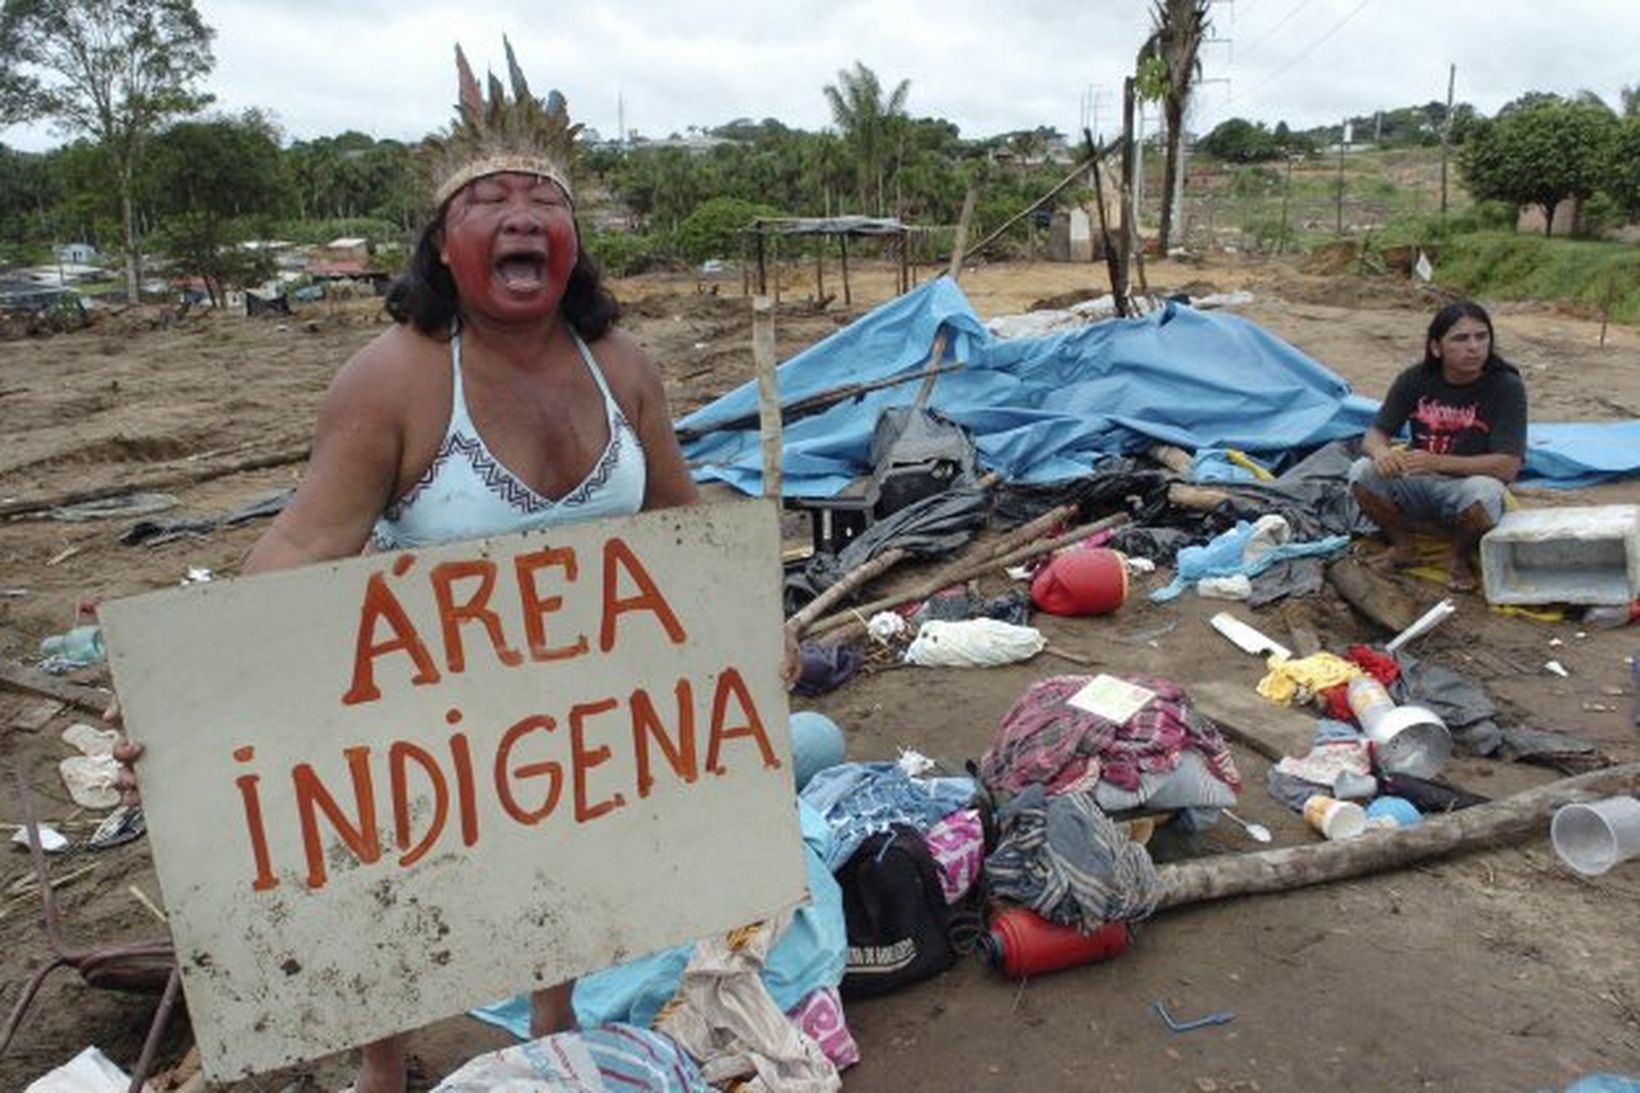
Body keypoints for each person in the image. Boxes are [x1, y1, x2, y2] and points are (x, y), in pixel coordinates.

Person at [115, 41, 791, 1093]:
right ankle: (384, 1067)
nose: (520, 217)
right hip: (421, 718)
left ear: (572, 242)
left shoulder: (623, 369)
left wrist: (756, 629)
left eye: (542, 201)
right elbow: (302, 544)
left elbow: (679, 527)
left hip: (577, 709)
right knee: (402, 889)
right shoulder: (393, 379)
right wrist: (185, 692)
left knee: (563, 875)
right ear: (442, 243)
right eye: (489, 201)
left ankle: (550, 1035)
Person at [1348, 300, 1527, 592]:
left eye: (1482, 337)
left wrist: (1438, 462)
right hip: (1416, 481)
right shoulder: (1414, 379)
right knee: (1361, 473)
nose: (1474, 347)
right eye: (1461, 338)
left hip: (1467, 485)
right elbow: (1374, 435)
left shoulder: (1506, 386)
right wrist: (1382, 453)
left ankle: (1458, 556)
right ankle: (1403, 546)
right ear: (1436, 347)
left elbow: (1507, 466)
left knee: (1485, 495)